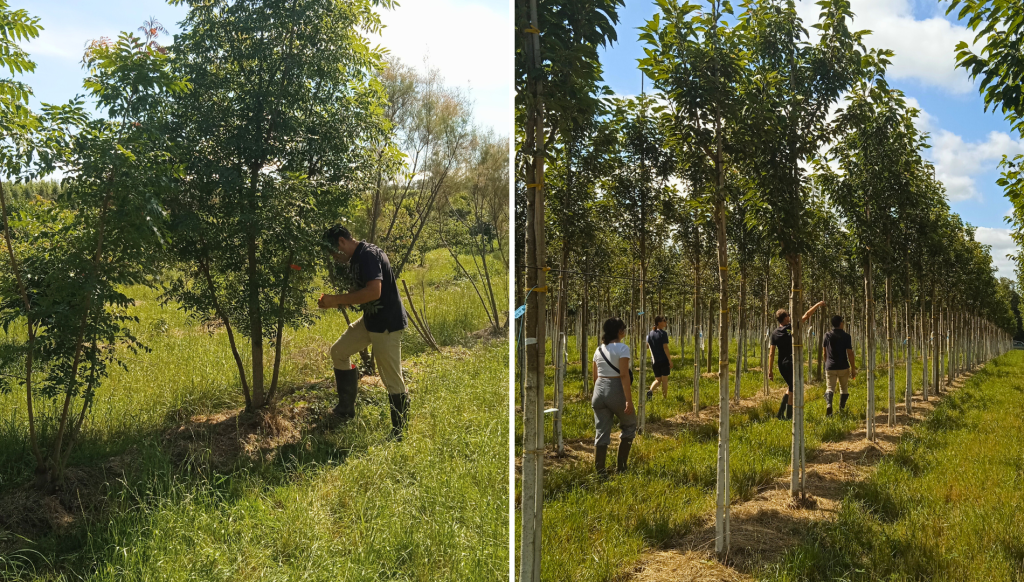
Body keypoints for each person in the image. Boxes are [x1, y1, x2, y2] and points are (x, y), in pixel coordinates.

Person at [318, 225, 410, 441]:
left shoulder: (368, 255)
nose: (333, 257)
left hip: (387, 325)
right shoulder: (357, 258)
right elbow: (362, 290)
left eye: (333, 251)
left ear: (341, 242)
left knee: (392, 379)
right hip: (371, 322)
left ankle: (399, 434)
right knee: (339, 352)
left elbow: (373, 291)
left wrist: (337, 299)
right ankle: (345, 410)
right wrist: (336, 301)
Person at [591, 317, 637, 478]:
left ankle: (600, 473)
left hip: (599, 390)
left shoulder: (598, 349)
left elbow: (595, 376)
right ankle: (622, 468)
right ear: (619, 331)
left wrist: (599, 393)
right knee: (630, 424)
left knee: (601, 431)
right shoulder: (622, 348)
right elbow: (624, 375)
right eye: (623, 329)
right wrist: (628, 400)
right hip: (615, 387)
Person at [768, 300, 826, 420]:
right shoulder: (791, 327)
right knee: (793, 387)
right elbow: (807, 315)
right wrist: (818, 304)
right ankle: (789, 416)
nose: (790, 317)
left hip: (781, 364)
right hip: (790, 363)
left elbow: (771, 353)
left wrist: (770, 370)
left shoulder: (774, 333)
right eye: (788, 315)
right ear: (784, 318)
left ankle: (780, 413)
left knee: (790, 386)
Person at [822, 314, 857, 416]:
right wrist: (853, 368)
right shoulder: (846, 336)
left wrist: (826, 364)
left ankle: (829, 405)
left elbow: (824, 352)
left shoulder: (827, 335)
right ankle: (841, 409)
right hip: (843, 366)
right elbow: (850, 353)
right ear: (841, 323)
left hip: (830, 366)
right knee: (844, 388)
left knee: (830, 388)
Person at [646, 315, 672, 400]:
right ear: (659, 323)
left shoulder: (649, 334)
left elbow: (647, 346)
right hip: (663, 360)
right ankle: (665, 398)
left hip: (654, 360)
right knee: (664, 380)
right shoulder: (663, 333)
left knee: (658, 379)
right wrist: (670, 360)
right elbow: (665, 347)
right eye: (664, 321)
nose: (665, 322)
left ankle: (650, 391)